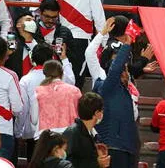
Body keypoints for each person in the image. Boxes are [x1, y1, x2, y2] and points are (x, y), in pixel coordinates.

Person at [56, 0, 106, 88]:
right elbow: (99, 19)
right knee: (76, 80)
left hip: (60, 40)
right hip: (81, 40)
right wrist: (104, 42)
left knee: (58, 77)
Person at [93, 38, 138, 168]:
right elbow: (115, 70)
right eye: (124, 70)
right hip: (112, 146)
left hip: (127, 148)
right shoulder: (106, 86)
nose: (126, 73)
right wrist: (127, 45)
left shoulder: (126, 92)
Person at [16, 46, 57, 159]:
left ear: (31, 59)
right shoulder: (59, 78)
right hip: (56, 131)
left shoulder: (26, 80)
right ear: (52, 58)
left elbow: (23, 108)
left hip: (33, 133)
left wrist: (18, 132)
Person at [32, 60, 82, 138]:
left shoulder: (38, 91)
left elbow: (34, 120)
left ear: (45, 74)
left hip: (46, 136)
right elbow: (81, 116)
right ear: (62, 73)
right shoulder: (75, 91)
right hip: (70, 135)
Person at [62, 93, 110, 168]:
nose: (102, 113)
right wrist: (97, 164)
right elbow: (66, 163)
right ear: (97, 113)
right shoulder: (72, 133)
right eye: (101, 110)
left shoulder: (95, 136)